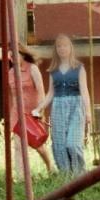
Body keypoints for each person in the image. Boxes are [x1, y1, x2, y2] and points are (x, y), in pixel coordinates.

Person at [36, 34, 91, 175]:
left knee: (72, 144)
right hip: (58, 107)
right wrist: (39, 108)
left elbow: (84, 91)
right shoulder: (53, 70)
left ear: (70, 48)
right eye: (59, 46)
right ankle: (65, 175)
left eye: (65, 45)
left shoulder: (79, 68)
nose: (62, 49)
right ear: (56, 49)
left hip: (76, 106)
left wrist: (88, 112)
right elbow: (50, 93)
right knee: (59, 144)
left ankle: (79, 174)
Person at [9, 42, 54, 175]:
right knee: (18, 146)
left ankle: (50, 167)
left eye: (14, 54)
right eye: (10, 56)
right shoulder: (10, 73)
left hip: (32, 113)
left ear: (22, 54)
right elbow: (11, 95)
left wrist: (40, 111)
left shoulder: (32, 69)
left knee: (38, 146)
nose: (12, 58)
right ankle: (21, 177)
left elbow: (41, 91)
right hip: (17, 114)